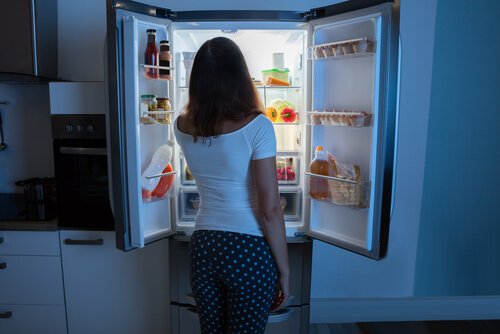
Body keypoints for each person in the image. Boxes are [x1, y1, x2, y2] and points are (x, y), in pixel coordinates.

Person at [174, 37, 290, 333]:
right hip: (247, 249)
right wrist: (284, 270)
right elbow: (270, 210)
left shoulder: (182, 125)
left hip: (203, 247)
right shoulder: (258, 126)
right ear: (241, 76)